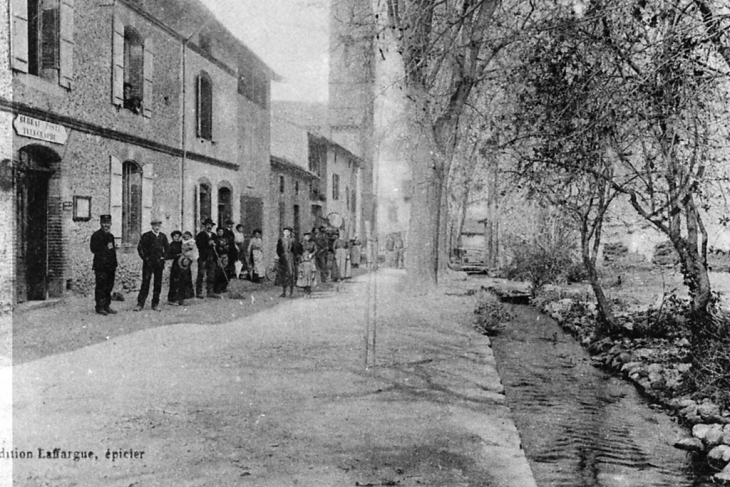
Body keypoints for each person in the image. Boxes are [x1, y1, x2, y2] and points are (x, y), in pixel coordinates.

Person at [134, 218, 169, 311]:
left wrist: (163, 257)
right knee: (145, 282)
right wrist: (145, 258)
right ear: (152, 226)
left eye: (158, 226)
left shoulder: (162, 236)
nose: (157, 227)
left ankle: (155, 304)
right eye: (155, 226)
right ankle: (140, 304)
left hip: (159, 263)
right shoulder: (146, 236)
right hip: (148, 263)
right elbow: (140, 248)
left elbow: (167, 248)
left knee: (158, 284)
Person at [89, 214, 118, 315]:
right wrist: (104, 251)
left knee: (109, 286)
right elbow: (93, 249)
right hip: (100, 266)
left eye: (108, 223)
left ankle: (107, 306)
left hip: (110, 266)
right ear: (100, 223)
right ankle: (100, 307)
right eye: (104, 223)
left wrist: (114, 264)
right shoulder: (96, 235)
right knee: (101, 286)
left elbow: (112, 251)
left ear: (110, 224)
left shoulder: (111, 236)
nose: (106, 225)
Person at [195, 218, 218, 298]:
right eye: (207, 225)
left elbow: (217, 244)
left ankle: (210, 291)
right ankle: (199, 292)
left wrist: (215, 244)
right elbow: (199, 246)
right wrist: (208, 244)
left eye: (210, 225)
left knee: (211, 274)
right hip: (203, 257)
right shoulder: (200, 235)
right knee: (201, 274)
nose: (209, 227)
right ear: (204, 226)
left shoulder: (214, 235)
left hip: (212, 257)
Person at [165, 231, 188, 306]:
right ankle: (172, 299)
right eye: (175, 236)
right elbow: (167, 256)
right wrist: (176, 255)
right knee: (174, 281)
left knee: (182, 281)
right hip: (175, 265)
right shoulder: (171, 245)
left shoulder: (182, 244)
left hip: (183, 264)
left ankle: (181, 298)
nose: (177, 238)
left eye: (178, 236)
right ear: (172, 237)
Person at [276, 227, 296, 297]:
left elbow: (294, 250)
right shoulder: (281, 240)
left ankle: (291, 292)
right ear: (283, 232)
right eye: (286, 231)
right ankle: (284, 292)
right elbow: (278, 250)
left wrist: (293, 257)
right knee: (283, 274)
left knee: (291, 274)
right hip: (283, 258)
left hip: (290, 258)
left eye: (288, 232)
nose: (287, 233)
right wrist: (282, 256)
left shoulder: (292, 240)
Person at [213, 227, 231, 294]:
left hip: (225, 257)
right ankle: (217, 289)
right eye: (219, 231)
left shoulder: (225, 239)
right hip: (219, 257)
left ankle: (224, 287)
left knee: (225, 273)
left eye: (221, 231)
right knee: (219, 273)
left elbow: (228, 247)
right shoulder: (216, 239)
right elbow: (215, 249)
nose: (220, 233)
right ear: (217, 232)